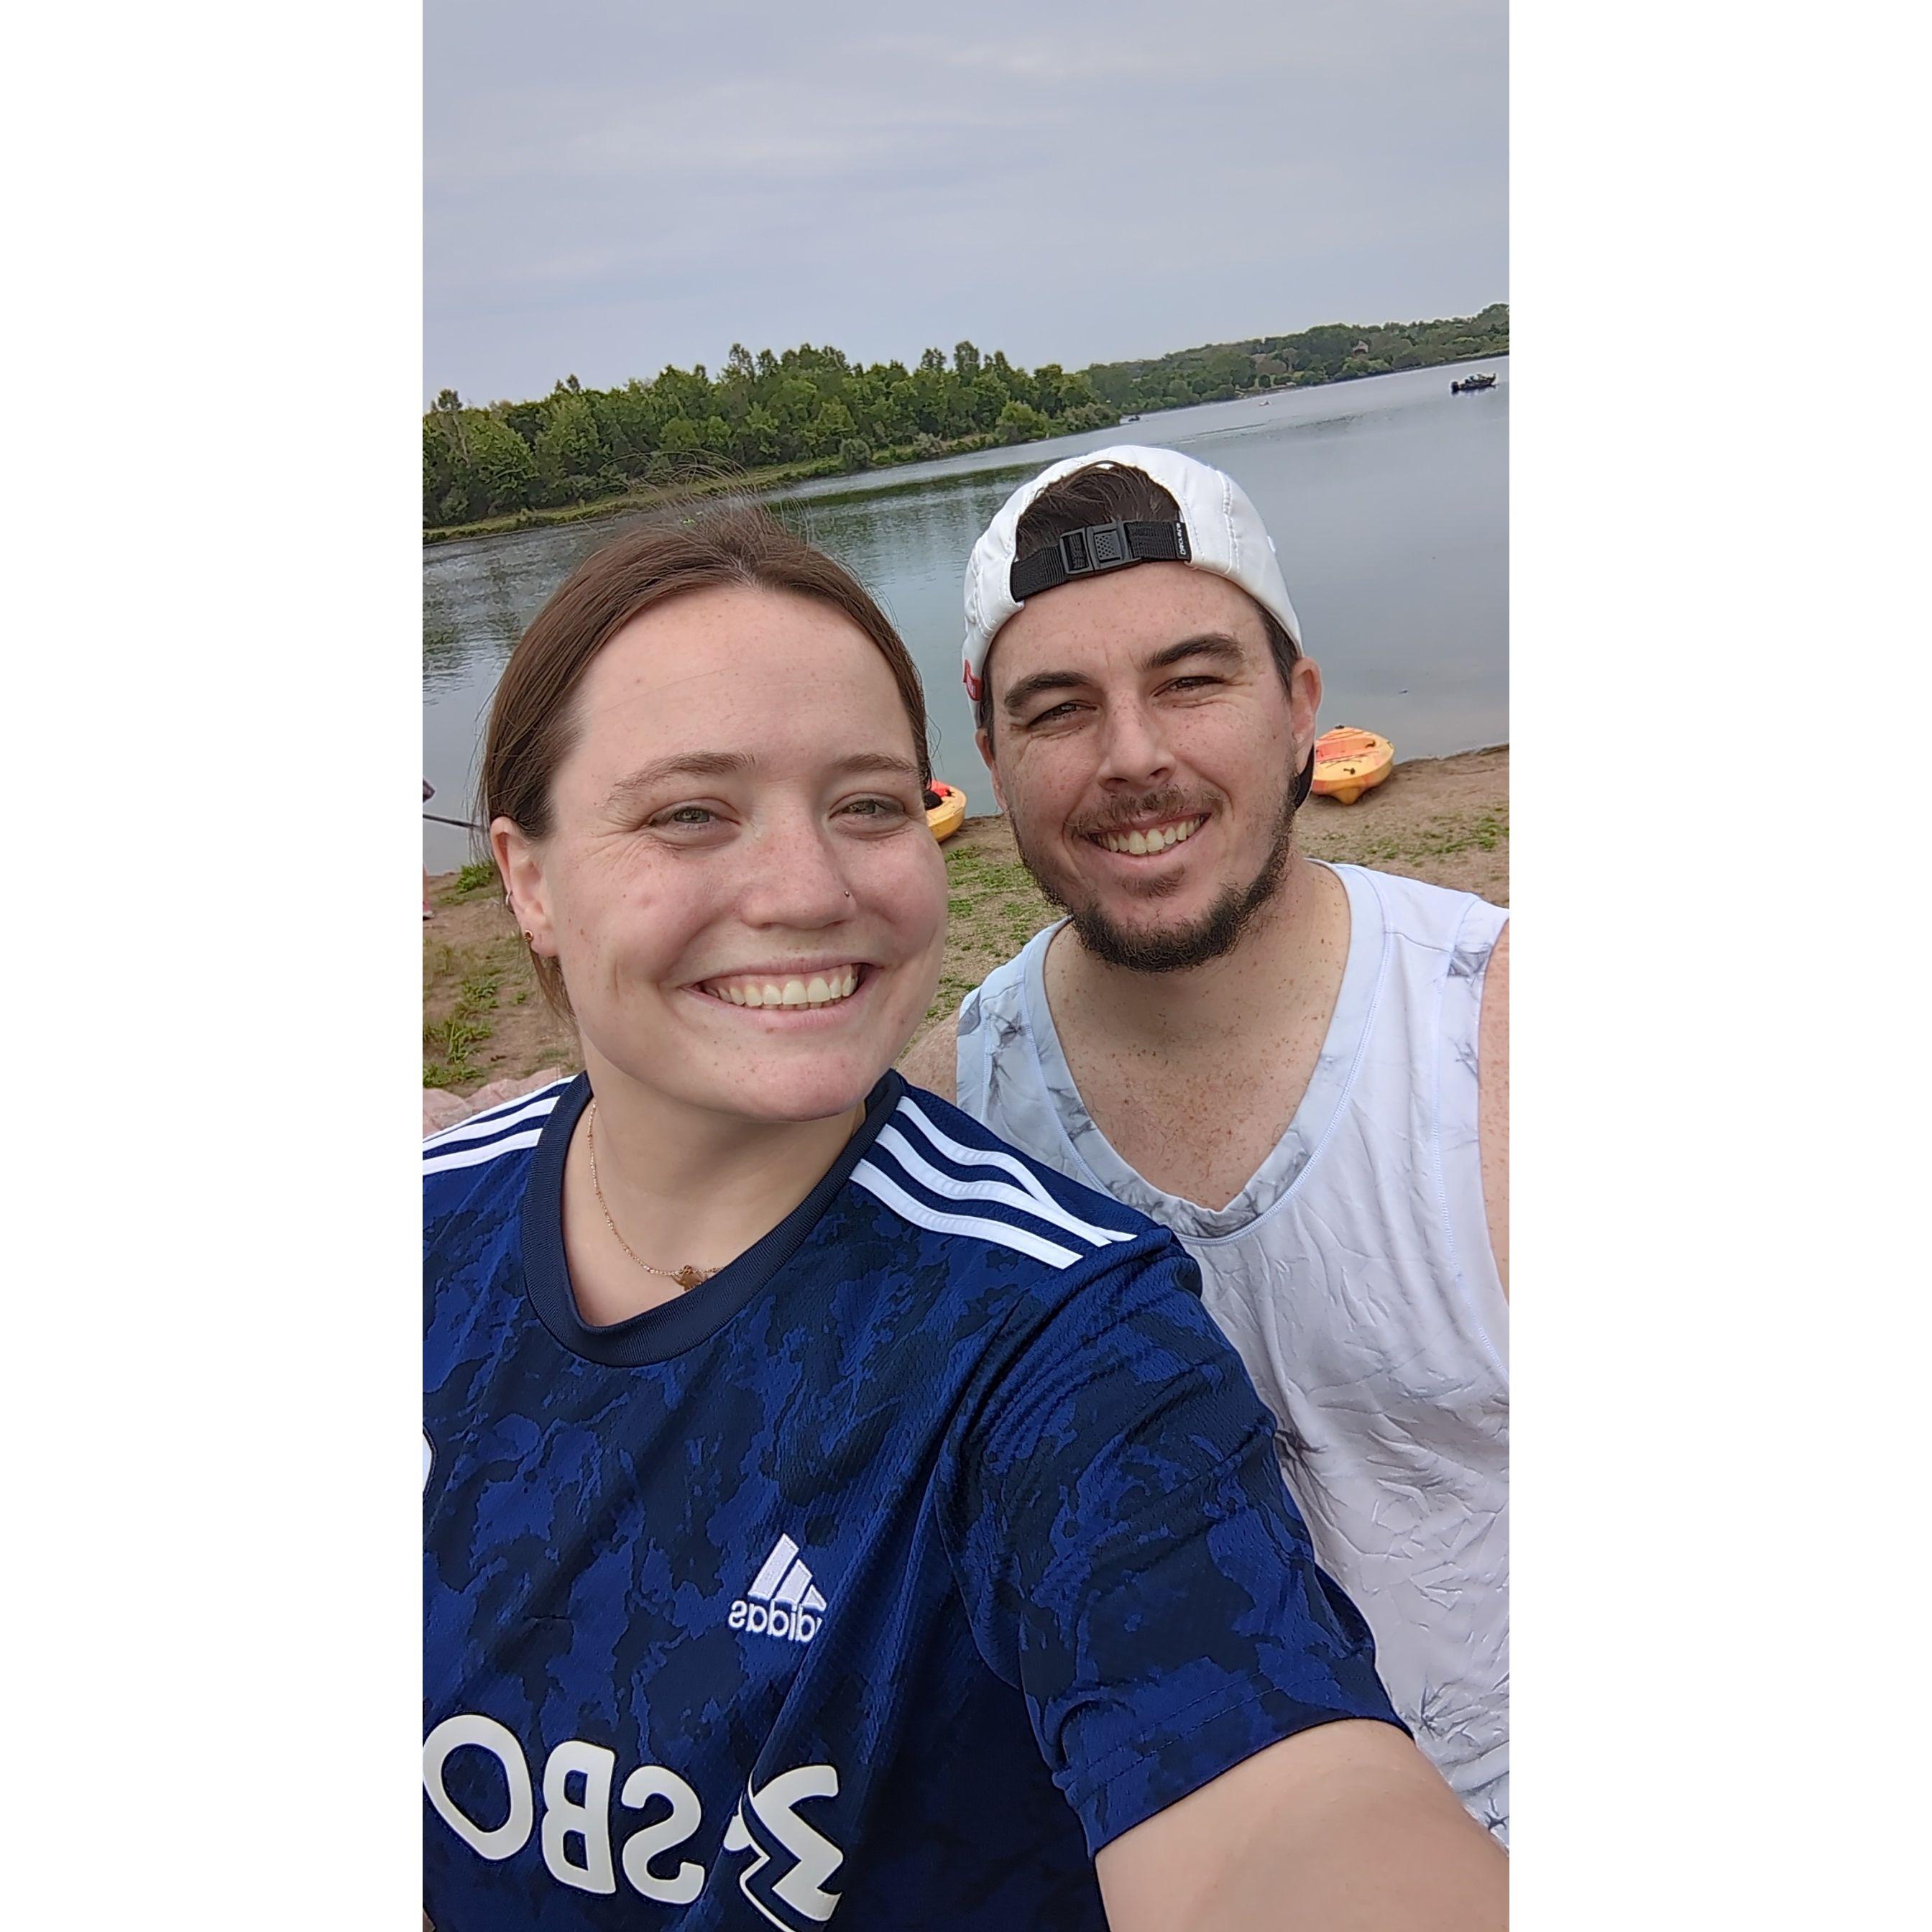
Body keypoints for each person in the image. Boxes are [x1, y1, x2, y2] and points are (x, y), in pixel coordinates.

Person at [423, 502, 1506, 1930]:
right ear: (527, 878)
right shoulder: (420, 1234)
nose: (808, 889)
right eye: (691, 812)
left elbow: (1272, 1802)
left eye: (868, 804)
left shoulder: (1063, 1341)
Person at [902, 446, 1512, 1841]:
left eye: (1191, 681)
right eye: (1060, 709)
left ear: (1299, 708)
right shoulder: (950, 1122)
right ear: (990, 759)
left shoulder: (1499, 1030)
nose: (1133, 757)